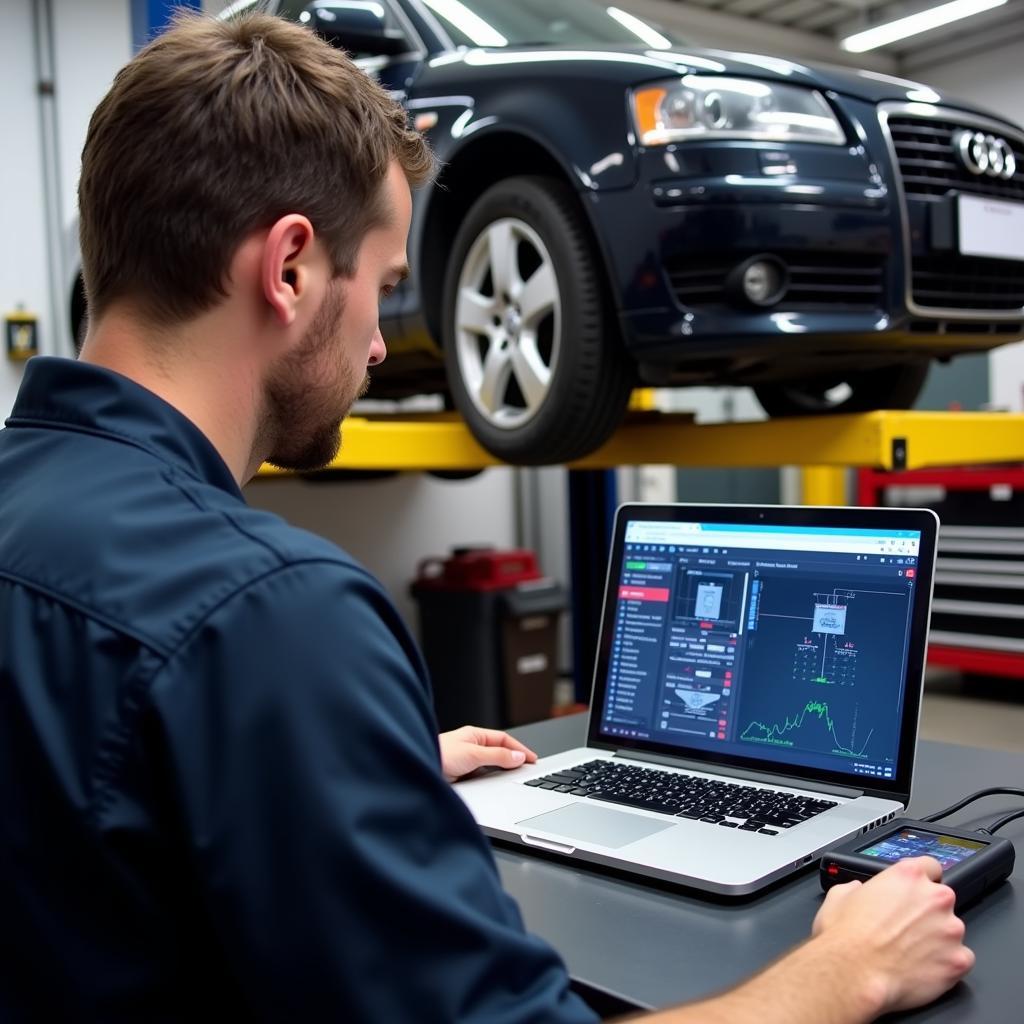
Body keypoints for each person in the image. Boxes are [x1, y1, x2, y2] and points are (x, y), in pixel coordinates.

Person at [0, 11, 972, 1023]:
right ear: (288, 268)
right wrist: (842, 970)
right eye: (381, 287)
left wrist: (337, 764)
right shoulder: (270, 615)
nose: (381, 346)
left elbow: (80, 805)